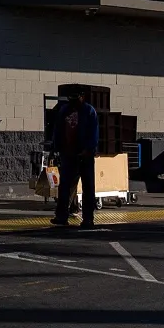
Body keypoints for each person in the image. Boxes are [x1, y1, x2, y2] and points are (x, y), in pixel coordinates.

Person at [50, 86, 101, 230]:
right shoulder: (64, 110)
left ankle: (88, 218)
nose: (73, 102)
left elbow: (94, 132)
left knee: (88, 187)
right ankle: (61, 216)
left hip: (85, 154)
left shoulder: (89, 111)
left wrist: (89, 149)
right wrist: (56, 147)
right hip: (68, 153)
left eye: (76, 99)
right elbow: (58, 130)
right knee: (65, 186)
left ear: (82, 97)